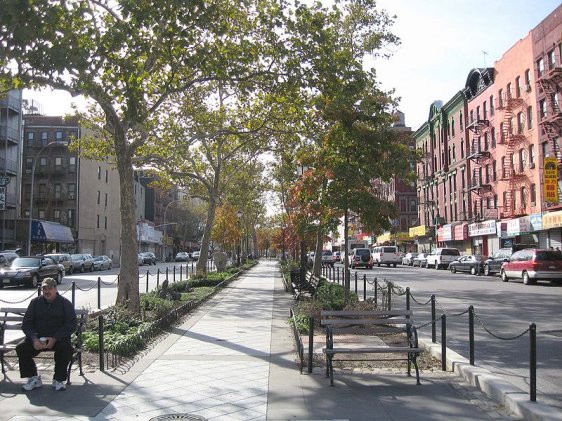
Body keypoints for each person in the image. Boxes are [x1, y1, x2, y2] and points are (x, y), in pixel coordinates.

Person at [16, 277, 77, 391]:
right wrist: (34, 339)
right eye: (44, 289)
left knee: (66, 348)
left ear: (55, 289)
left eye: (50, 288)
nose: (47, 291)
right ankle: (34, 378)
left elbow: (71, 324)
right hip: (38, 339)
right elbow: (27, 323)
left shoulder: (65, 303)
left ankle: (58, 380)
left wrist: (55, 338)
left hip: (58, 339)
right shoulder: (35, 303)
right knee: (21, 348)